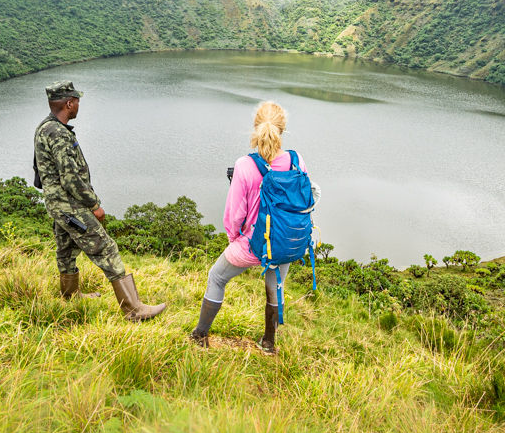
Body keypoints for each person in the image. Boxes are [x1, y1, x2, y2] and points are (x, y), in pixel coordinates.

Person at [190, 100, 318, 353]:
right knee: (274, 287)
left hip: (251, 244)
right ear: (283, 130)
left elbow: (234, 215)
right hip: (284, 241)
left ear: (255, 128)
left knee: (217, 277)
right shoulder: (296, 160)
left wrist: (234, 238)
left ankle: (200, 335)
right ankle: (269, 343)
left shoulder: (245, 165)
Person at [33, 80, 166, 321]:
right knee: (106, 248)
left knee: (65, 249)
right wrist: (94, 205)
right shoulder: (59, 134)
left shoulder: (45, 127)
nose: (79, 106)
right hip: (69, 205)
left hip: (56, 205)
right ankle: (133, 309)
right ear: (69, 103)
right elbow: (71, 178)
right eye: (77, 102)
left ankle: (70, 296)